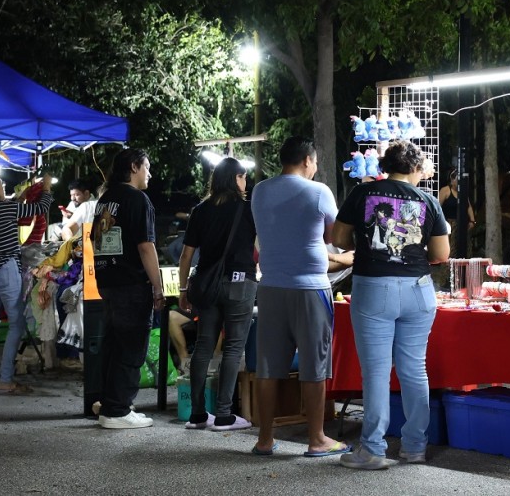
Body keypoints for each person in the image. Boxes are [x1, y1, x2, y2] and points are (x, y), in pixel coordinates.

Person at [333, 141, 450, 469]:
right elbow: (441, 254)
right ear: (415, 168)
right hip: (418, 291)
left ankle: (372, 449)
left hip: (373, 289)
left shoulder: (363, 193)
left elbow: (339, 238)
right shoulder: (428, 200)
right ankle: (415, 446)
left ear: (385, 165)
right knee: (414, 369)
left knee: (377, 372)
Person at [249, 136, 349, 457]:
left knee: (268, 366)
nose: (316, 168)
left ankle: (265, 439)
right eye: (316, 162)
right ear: (307, 160)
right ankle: (317, 438)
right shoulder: (319, 192)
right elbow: (336, 237)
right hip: (310, 289)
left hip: (270, 288)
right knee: (313, 365)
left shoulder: (261, 191)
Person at [177, 157, 257, 431]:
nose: (245, 182)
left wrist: (183, 289)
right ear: (236, 178)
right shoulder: (248, 209)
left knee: (203, 345)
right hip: (239, 283)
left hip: (207, 286)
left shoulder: (200, 210)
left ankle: (198, 414)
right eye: (243, 177)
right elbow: (261, 246)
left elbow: (186, 255)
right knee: (234, 347)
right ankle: (224, 414)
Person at [89, 148, 164, 429]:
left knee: (113, 344)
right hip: (132, 283)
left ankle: (111, 403)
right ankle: (118, 410)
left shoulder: (105, 200)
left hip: (107, 280)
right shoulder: (137, 200)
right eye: (147, 167)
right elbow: (146, 247)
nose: (150, 173)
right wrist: (157, 288)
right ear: (134, 167)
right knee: (132, 346)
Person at [0, 173, 53, 394]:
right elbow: (39, 208)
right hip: (5, 270)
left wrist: (20, 197)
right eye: (1, 183)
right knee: (16, 323)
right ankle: (6, 380)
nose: (3, 186)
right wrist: (45, 188)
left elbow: (9, 209)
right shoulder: (4, 209)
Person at [438, 169, 476, 235]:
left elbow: (468, 206)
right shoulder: (445, 190)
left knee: (463, 244)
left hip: (463, 223)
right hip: (449, 224)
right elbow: (437, 207)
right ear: (452, 180)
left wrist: (472, 221)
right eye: (458, 181)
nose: (460, 183)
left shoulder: (463, 191)